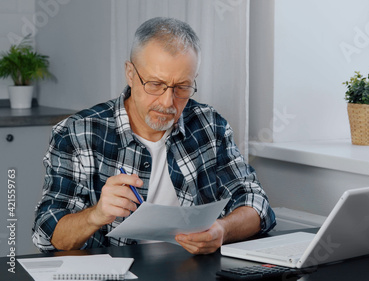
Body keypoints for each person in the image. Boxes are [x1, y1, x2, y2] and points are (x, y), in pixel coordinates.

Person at [32, 17, 275, 255]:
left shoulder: (210, 125)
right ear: (130, 73)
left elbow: (257, 204)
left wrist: (223, 229)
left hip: (192, 272)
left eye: (182, 87)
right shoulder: (76, 133)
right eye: (155, 84)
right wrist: (96, 215)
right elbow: (48, 234)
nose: (167, 102)